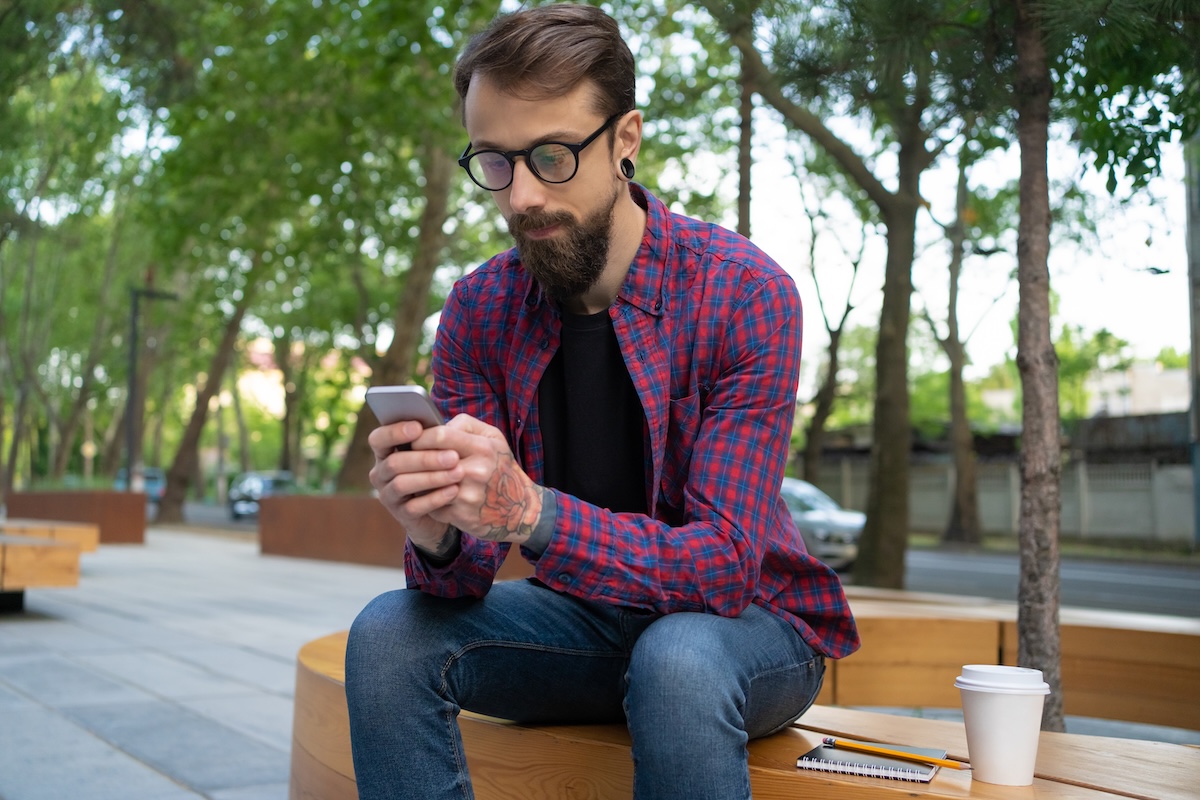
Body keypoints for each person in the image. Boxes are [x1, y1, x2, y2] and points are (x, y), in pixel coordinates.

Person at [344, 5, 860, 799]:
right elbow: (462, 580)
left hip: (750, 631)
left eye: (551, 156)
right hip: (582, 625)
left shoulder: (746, 294)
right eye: (494, 162)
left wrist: (532, 515)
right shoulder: (480, 310)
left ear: (625, 141)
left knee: (678, 659)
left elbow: (723, 568)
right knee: (388, 635)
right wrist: (437, 531)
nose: (519, 198)